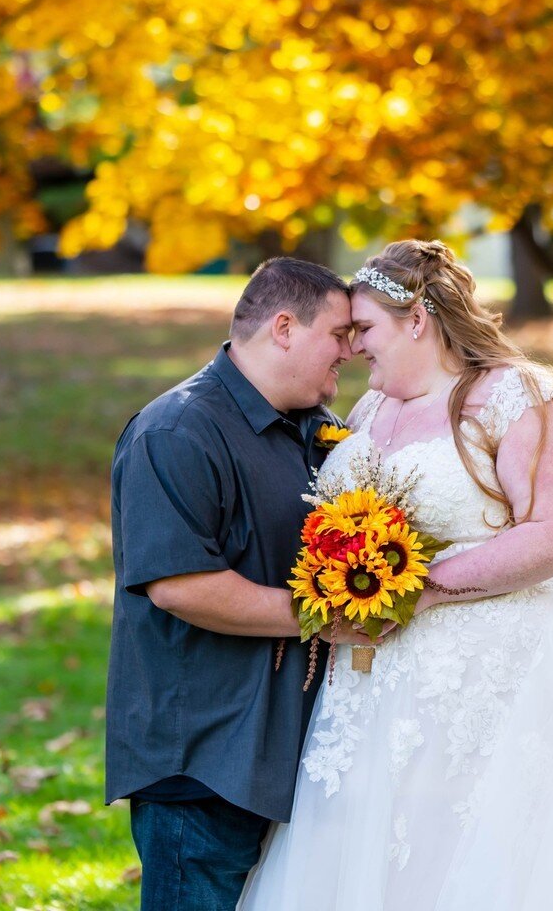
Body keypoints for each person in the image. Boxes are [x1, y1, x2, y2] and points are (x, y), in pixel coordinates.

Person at [238, 241, 553, 910]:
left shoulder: (517, 395)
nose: (353, 348)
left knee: (479, 847)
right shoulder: (368, 413)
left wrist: (425, 587)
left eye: (365, 329)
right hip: (372, 679)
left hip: (496, 668)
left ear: (416, 319)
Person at [106, 256, 371, 909]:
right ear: (283, 327)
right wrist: (323, 616)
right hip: (203, 761)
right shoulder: (176, 431)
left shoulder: (316, 432)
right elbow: (180, 585)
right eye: (338, 335)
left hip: (295, 754)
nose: (352, 351)